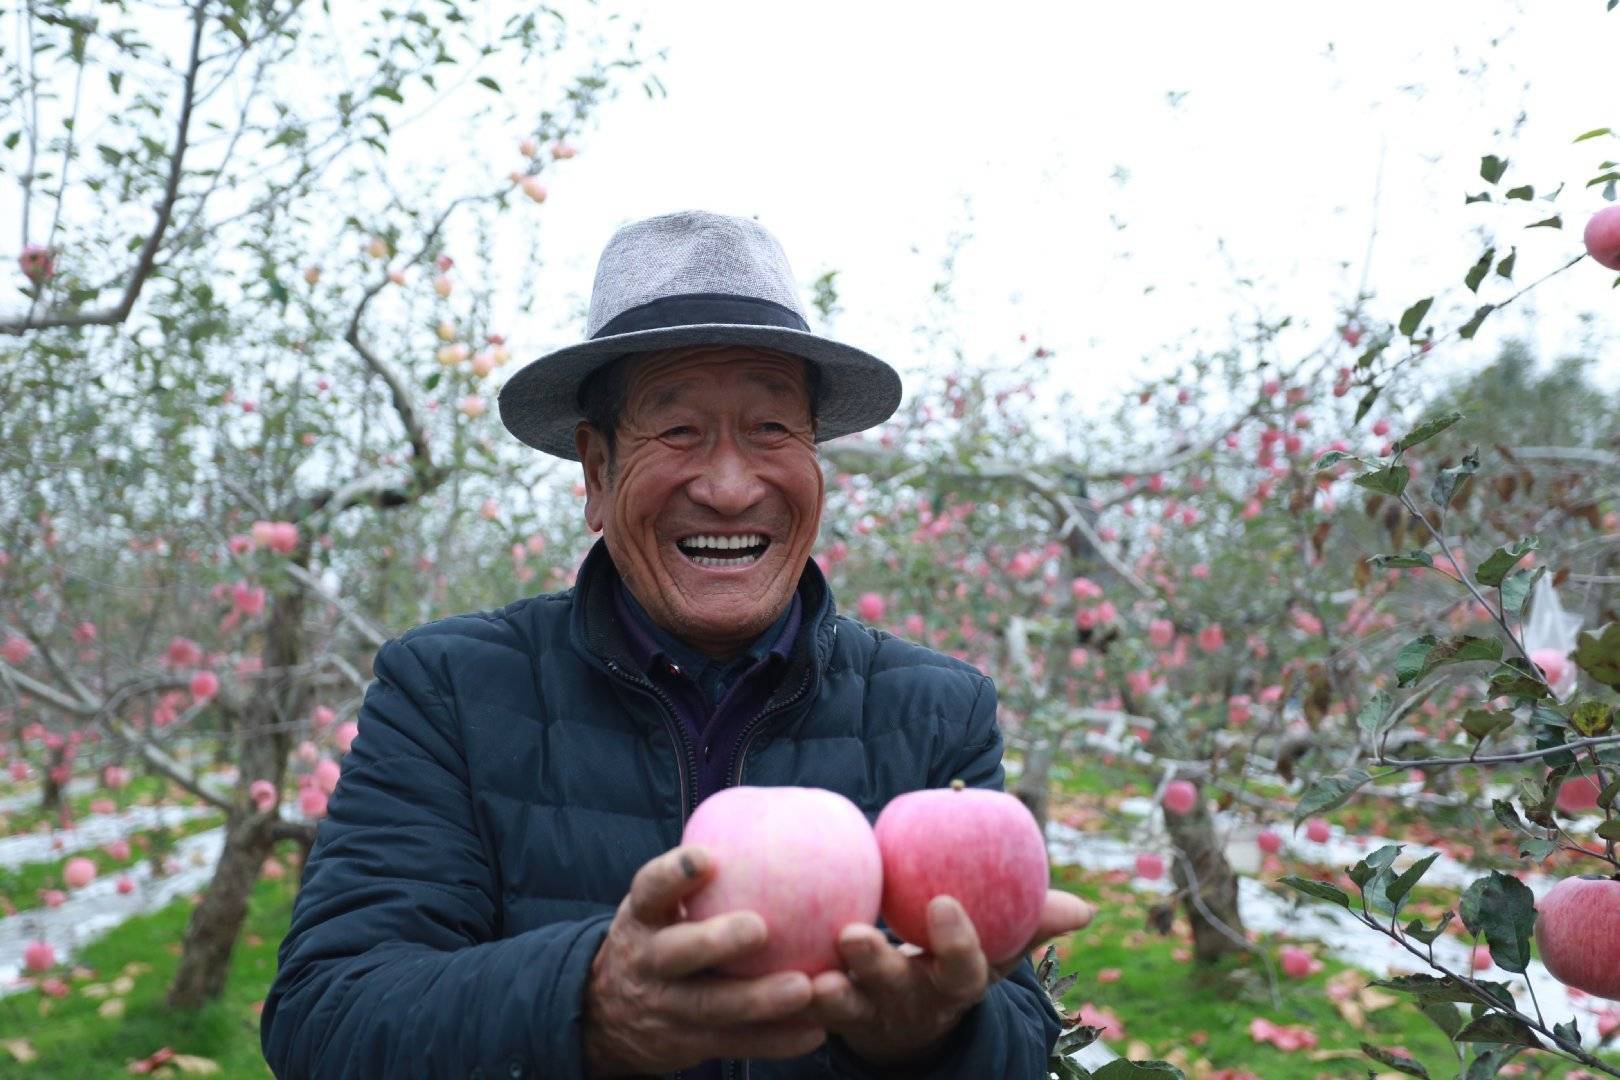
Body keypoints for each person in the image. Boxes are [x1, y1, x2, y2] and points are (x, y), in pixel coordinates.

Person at [261, 209, 1092, 1079]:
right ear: (595, 471)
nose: (731, 487)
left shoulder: (935, 709)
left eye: (773, 430)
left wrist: (935, 1034)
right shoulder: (448, 691)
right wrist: (585, 1003)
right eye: (678, 431)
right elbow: (329, 1016)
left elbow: (1015, 1028)